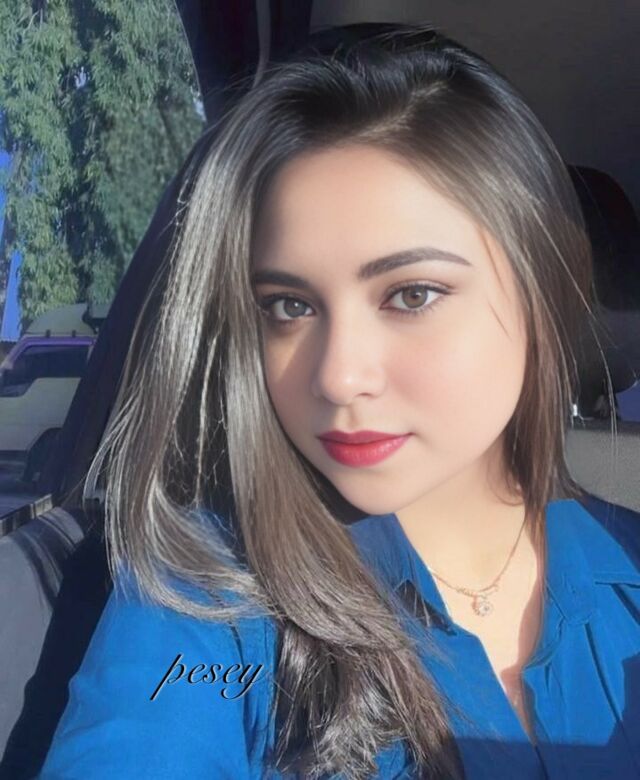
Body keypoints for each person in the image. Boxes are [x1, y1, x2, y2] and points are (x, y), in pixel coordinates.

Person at [38, 24, 640, 779]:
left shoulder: (626, 567)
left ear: (541, 293)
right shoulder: (210, 604)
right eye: (289, 307)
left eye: (411, 295)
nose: (337, 377)